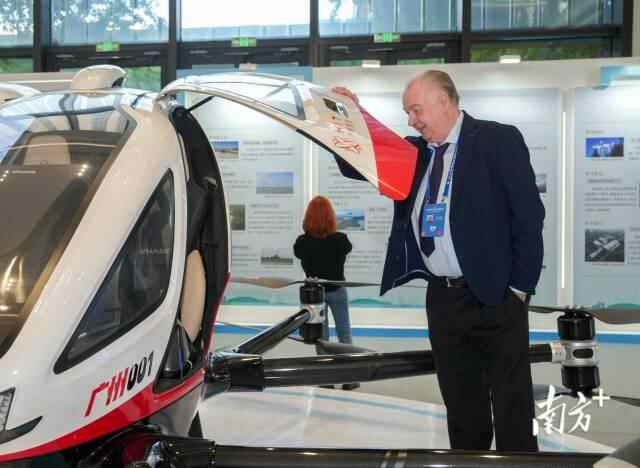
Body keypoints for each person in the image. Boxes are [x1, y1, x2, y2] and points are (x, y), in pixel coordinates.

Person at [332, 70, 544, 451]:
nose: (411, 120)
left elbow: (529, 217)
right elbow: (357, 163)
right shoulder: (414, 153)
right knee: (462, 409)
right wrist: (345, 115)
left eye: (416, 110)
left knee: (512, 409)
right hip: (444, 301)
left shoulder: (497, 140)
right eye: (407, 113)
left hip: (496, 296)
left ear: (444, 101)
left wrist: (519, 289)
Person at [294, 196, 359, 391]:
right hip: (337, 290)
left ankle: (326, 379)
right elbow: (346, 249)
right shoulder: (341, 240)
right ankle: (350, 378)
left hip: (315, 296)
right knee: (345, 335)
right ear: (331, 217)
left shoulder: (302, 242)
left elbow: (300, 254)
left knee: (321, 338)